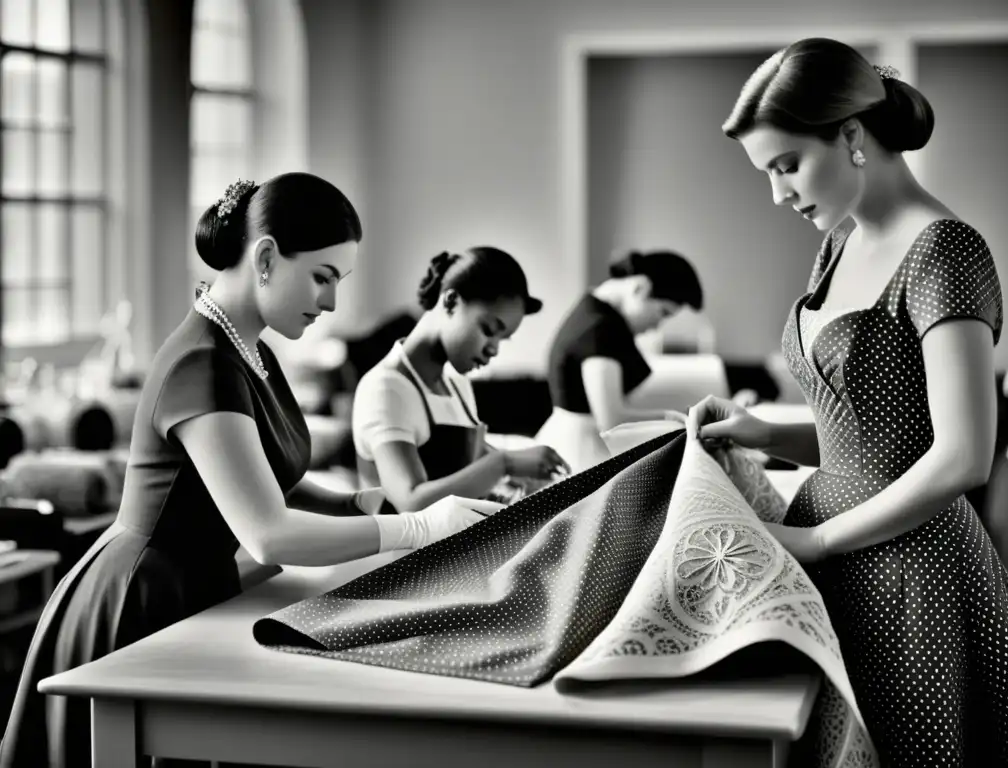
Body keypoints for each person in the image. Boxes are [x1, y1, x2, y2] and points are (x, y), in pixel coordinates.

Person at [0, 174, 492, 768]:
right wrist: (417, 528)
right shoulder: (204, 361)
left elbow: (271, 480)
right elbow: (268, 533)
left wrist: (352, 503)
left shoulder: (249, 350)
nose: (332, 302)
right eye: (322, 277)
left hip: (193, 585)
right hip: (142, 596)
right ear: (265, 257)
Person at [687, 38, 1008, 766]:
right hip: (834, 547)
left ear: (850, 136)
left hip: (912, 570)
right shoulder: (837, 243)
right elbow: (872, 431)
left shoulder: (944, 252)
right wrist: (764, 431)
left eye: (786, 166)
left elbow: (964, 455)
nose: (778, 193)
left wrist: (816, 543)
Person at [352, 247, 569, 512]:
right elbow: (411, 502)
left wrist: (523, 476)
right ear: (451, 302)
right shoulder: (386, 388)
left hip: (457, 543)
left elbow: (471, 466)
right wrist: (505, 464)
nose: (494, 350)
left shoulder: (456, 384)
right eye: (489, 330)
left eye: (502, 339)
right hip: (405, 552)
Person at [535, 249, 704, 473]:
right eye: (662, 312)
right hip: (580, 449)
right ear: (640, 288)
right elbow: (612, 419)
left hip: (568, 437)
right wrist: (676, 418)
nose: (656, 326)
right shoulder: (600, 329)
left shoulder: (592, 311)